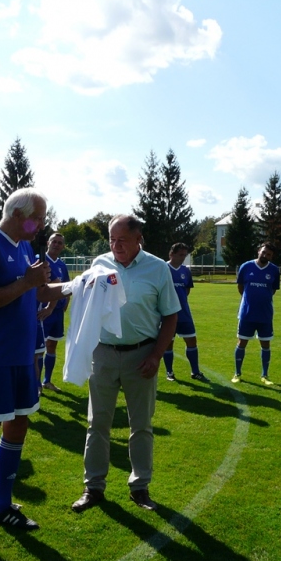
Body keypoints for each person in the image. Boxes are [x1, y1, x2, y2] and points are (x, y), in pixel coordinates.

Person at [0, 188, 67, 553]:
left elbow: (34, 293)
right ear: (20, 215)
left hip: (23, 356)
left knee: (19, 426)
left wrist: (73, 287)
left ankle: (2, 506)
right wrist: (27, 282)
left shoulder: (24, 247)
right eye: (37, 219)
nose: (40, 227)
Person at [71, 215, 179, 514]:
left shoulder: (158, 268)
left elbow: (171, 315)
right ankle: (93, 487)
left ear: (138, 239)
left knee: (141, 425)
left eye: (122, 240)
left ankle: (140, 487)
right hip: (103, 354)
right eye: (111, 240)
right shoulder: (99, 264)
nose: (116, 246)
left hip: (141, 355)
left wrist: (156, 355)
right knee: (97, 423)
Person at [232, 243, 280, 385]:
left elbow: (273, 290)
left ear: (272, 256)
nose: (265, 255)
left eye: (269, 254)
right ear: (259, 251)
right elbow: (240, 287)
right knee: (242, 342)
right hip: (247, 313)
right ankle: (237, 373)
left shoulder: (274, 270)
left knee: (266, 344)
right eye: (264, 252)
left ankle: (265, 375)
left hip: (265, 314)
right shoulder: (246, 266)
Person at [162, 242, 208, 382]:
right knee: (168, 343)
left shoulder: (185, 271)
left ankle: (195, 371)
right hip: (167, 314)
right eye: (180, 255)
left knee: (192, 341)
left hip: (184, 313)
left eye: (185, 255)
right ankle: (169, 372)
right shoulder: (163, 268)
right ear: (172, 254)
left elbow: (187, 290)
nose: (183, 258)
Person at [40, 233, 71, 392]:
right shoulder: (40, 261)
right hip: (43, 312)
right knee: (39, 348)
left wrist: (66, 303)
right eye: (54, 242)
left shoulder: (62, 265)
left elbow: (67, 287)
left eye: (60, 243)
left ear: (63, 246)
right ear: (48, 243)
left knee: (52, 345)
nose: (57, 245)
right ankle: (36, 384)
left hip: (57, 313)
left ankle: (47, 381)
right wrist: (48, 307)